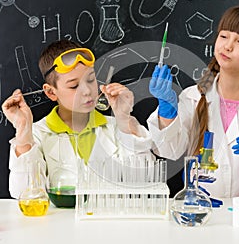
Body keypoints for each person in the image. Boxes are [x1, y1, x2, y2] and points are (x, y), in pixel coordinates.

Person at [147, 5, 239, 198]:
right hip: (200, 214)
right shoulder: (193, 97)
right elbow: (169, 150)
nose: (228, 46)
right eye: (224, 36)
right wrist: (166, 110)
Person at [2, 39, 153, 199]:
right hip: (61, 224)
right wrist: (23, 128)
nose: (87, 91)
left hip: (110, 223)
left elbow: (145, 180)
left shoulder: (117, 128)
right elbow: (23, 192)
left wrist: (124, 119)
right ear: (51, 92)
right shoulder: (38, 134)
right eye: (74, 86)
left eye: (90, 80)